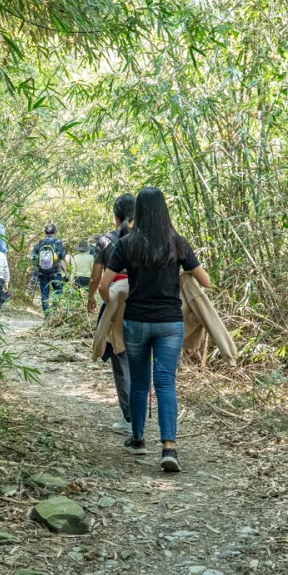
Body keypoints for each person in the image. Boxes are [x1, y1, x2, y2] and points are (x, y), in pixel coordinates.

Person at [100, 187, 210, 472]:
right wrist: (184, 273)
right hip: (170, 324)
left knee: (139, 382)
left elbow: (104, 284)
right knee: (165, 383)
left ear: (139, 211)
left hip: (136, 321)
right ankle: (169, 448)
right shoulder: (178, 243)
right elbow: (206, 282)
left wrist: (111, 305)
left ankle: (137, 440)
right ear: (164, 210)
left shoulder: (127, 244)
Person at [90, 194, 136, 435]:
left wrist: (94, 299)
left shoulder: (105, 241)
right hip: (142, 304)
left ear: (115, 216)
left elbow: (97, 278)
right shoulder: (145, 240)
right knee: (139, 359)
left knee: (120, 356)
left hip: (116, 302)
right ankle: (137, 418)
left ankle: (129, 417)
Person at [31, 222, 66, 314]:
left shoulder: (40, 242)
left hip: (42, 271)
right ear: (54, 232)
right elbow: (62, 259)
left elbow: (34, 256)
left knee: (44, 293)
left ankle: (46, 313)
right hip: (55, 271)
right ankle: (54, 311)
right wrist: (65, 272)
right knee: (58, 290)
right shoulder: (58, 242)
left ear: (45, 232)